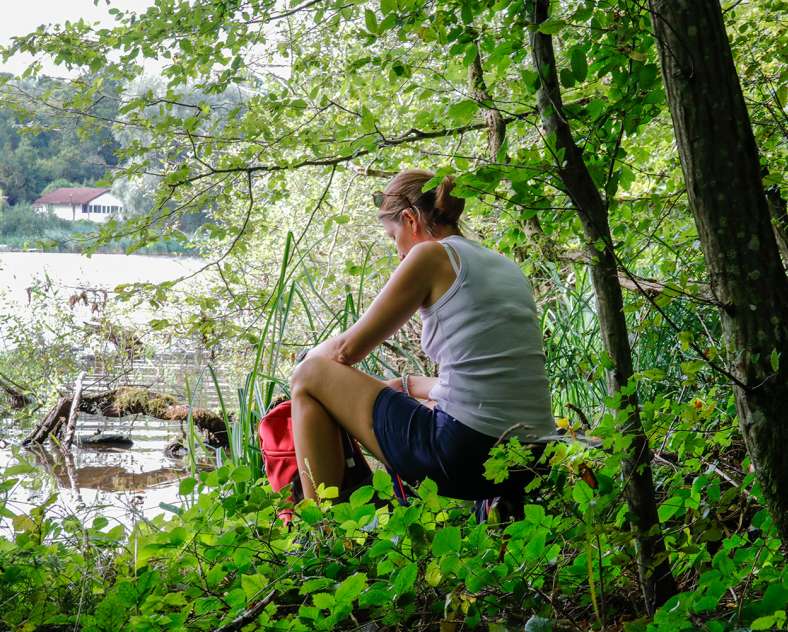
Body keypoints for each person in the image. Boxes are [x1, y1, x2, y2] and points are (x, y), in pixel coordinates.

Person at [290, 168, 555, 502]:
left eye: (393, 237)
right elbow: (490, 376)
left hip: (466, 456)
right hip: (533, 456)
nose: (398, 253)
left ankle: (322, 531)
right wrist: (409, 385)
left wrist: (307, 361)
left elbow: (346, 350)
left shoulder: (430, 255)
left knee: (309, 375)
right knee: (404, 398)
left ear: (410, 219)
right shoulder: (504, 266)